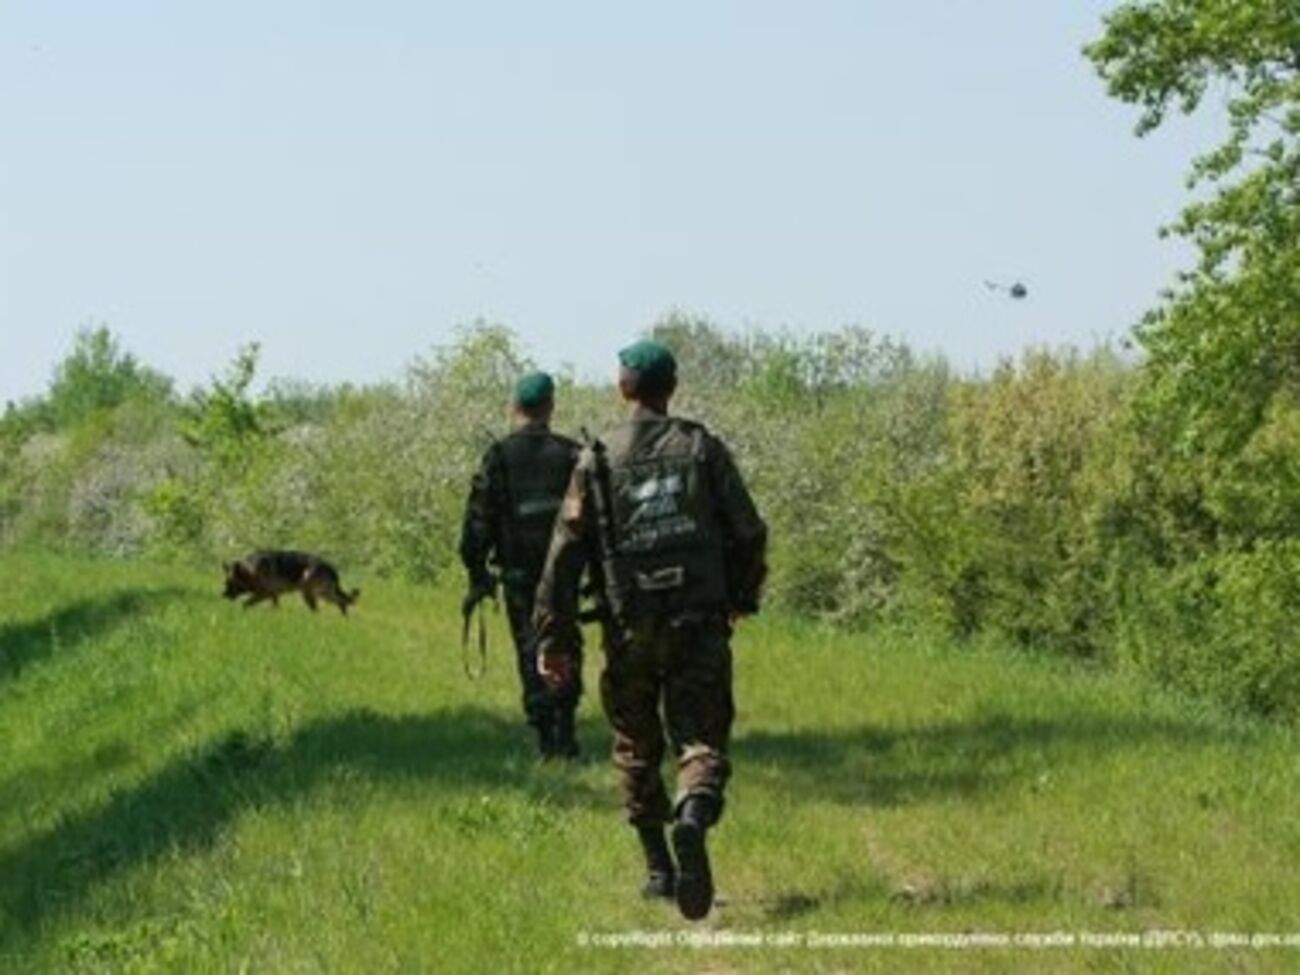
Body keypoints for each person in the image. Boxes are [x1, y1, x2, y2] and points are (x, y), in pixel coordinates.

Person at [532, 339, 768, 921]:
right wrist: (739, 597)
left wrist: (555, 639)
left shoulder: (596, 460)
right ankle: (693, 813)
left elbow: (562, 556)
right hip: (698, 622)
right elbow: (749, 530)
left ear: (622, 388)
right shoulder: (700, 447)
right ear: (673, 387)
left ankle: (660, 869)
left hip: (628, 627)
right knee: (701, 736)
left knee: (636, 744)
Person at [459, 371, 583, 760]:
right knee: (564, 642)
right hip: (564, 576)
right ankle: (565, 729)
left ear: (515, 407)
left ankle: (546, 736)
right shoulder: (572, 453)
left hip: (519, 577)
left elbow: (477, 524)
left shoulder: (499, 456)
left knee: (531, 648)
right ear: (550, 406)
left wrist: (478, 575)